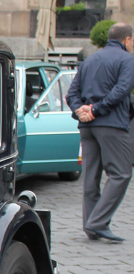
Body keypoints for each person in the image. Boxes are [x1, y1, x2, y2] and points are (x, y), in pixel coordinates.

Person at [66, 22, 134, 242]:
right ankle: (98, 222)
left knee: (91, 175)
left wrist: (81, 111)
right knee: (121, 173)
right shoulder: (127, 60)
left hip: (87, 126)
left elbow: (72, 93)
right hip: (112, 124)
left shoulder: (90, 60)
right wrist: (96, 109)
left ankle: (91, 225)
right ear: (127, 40)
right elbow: (122, 90)